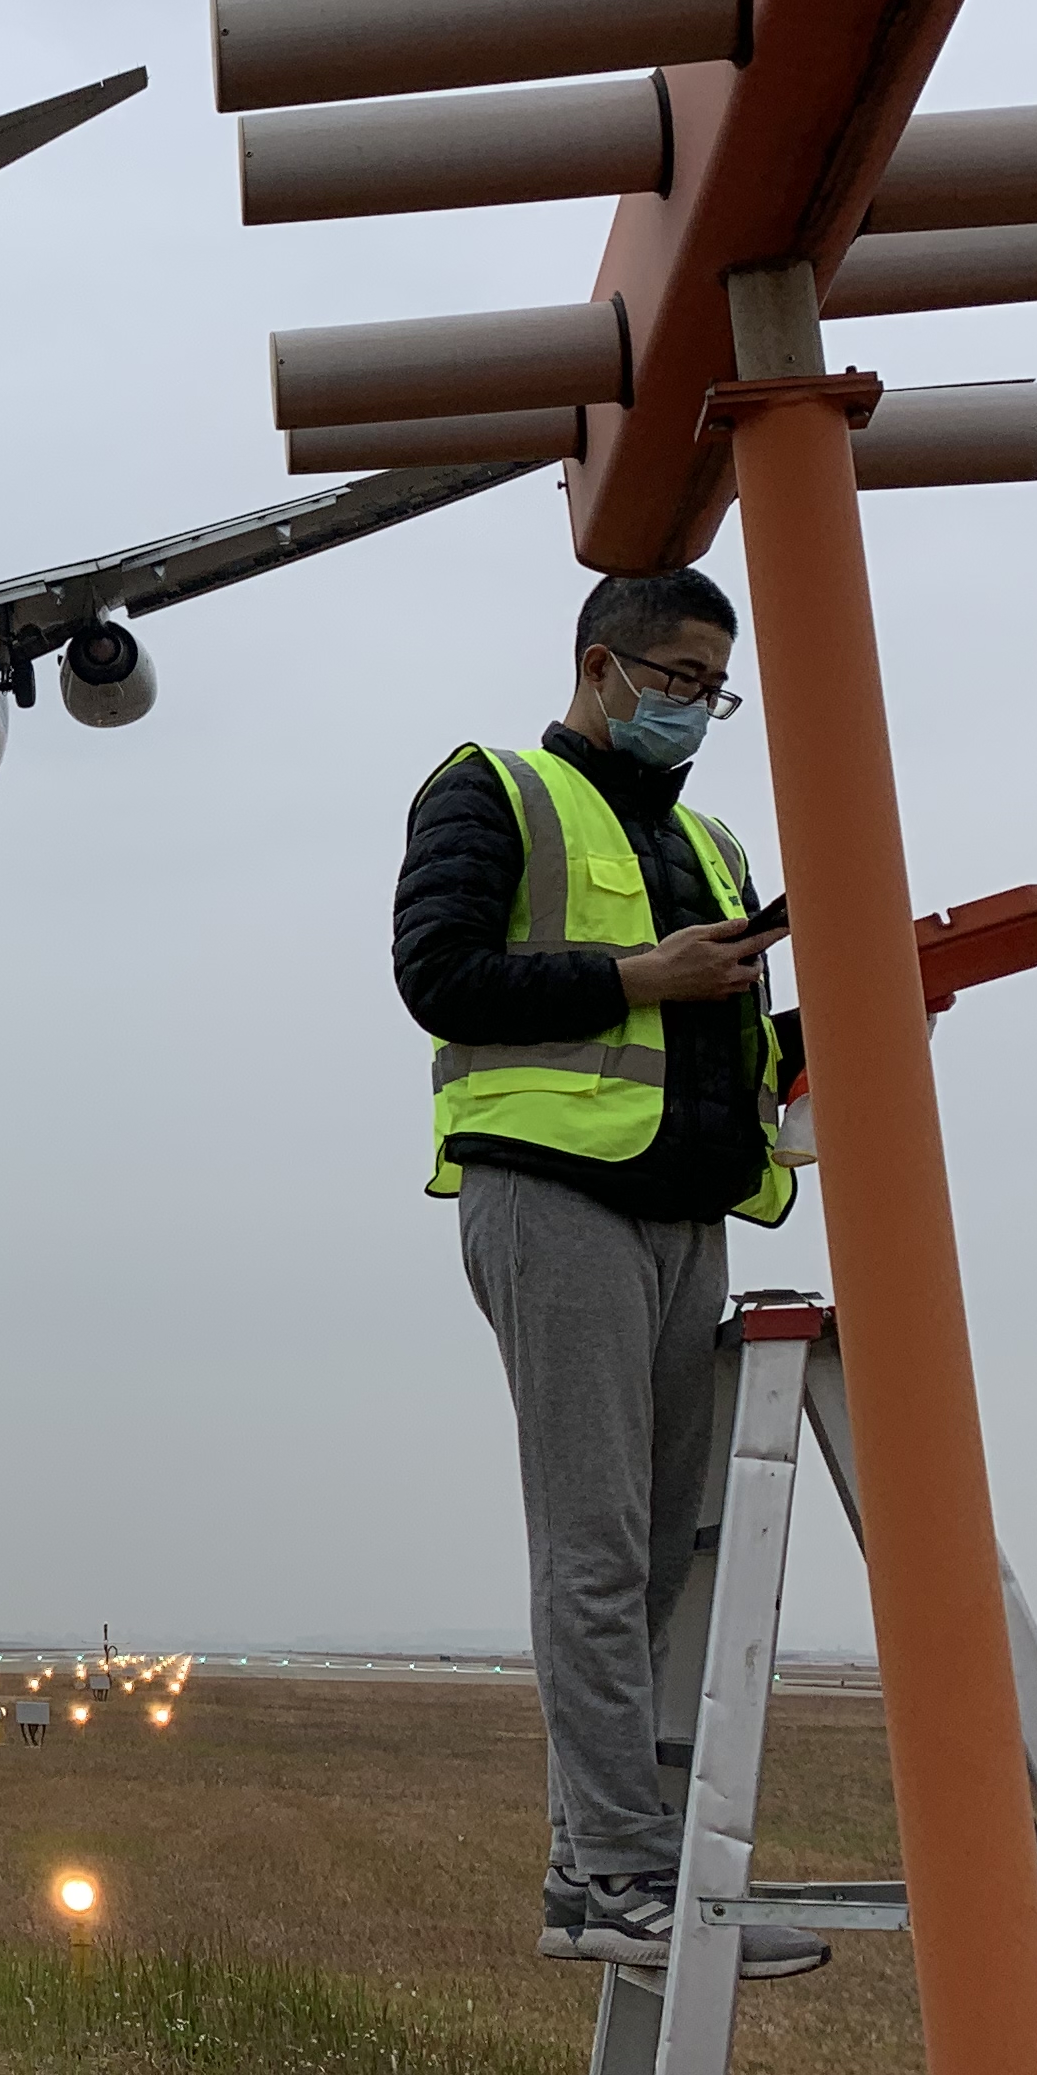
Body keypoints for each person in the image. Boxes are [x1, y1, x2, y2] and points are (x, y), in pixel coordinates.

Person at [394, 566, 824, 1982]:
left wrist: (855, 1031)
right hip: (552, 1195)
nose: (697, 710)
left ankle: (593, 1863)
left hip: (686, 1211)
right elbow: (440, 977)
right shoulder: (490, 789)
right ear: (601, 668)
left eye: (716, 688)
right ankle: (625, 1873)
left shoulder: (712, 843)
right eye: (679, 680)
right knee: (590, 1549)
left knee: (646, 1554)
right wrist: (641, 977)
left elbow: (731, 1031)